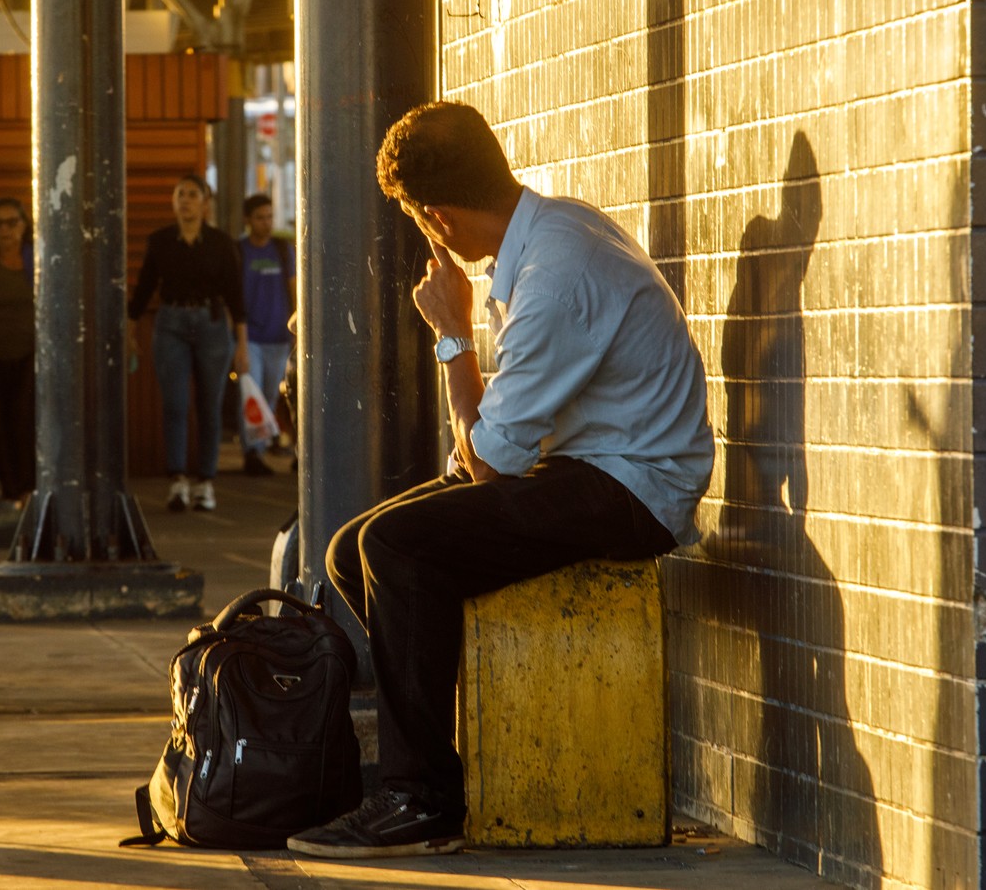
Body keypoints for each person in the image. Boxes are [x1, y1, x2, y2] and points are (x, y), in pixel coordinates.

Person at [286, 102, 715, 859]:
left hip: (636, 489)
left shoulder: (554, 276)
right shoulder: (553, 230)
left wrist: (451, 336)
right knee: (350, 548)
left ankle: (419, 797)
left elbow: (490, 462)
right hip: (589, 464)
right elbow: (492, 452)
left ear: (437, 218)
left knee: (397, 545)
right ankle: (437, 761)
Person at [126, 173, 249, 513]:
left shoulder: (222, 244)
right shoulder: (161, 241)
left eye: (193, 194)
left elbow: (235, 296)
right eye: (180, 194)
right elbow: (143, 290)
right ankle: (177, 479)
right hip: (171, 324)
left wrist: (242, 344)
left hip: (211, 325)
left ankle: (205, 482)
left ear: (205, 202)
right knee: (175, 404)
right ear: (173, 202)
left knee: (210, 405)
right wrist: (130, 331)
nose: (186, 201)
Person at [236, 193, 295, 476]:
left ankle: (262, 446)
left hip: (279, 336)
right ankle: (253, 452)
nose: (267, 223)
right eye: (260, 218)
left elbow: (295, 290)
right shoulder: (239, 251)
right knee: (252, 394)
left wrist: (297, 329)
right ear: (248, 221)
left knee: (270, 395)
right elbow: (231, 296)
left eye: (270, 216)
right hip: (251, 337)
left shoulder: (283, 250)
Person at [0, 196, 35, 498]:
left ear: (24, 226)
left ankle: (29, 485)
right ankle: (10, 488)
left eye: (12, 222)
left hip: (29, 353)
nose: (5, 230)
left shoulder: (34, 261)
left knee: (24, 420)